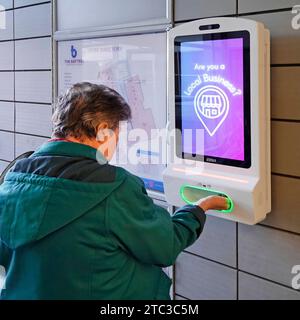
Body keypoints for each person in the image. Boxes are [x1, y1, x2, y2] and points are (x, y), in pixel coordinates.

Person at [0, 82, 228, 300]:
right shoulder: (114, 188)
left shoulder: (13, 180)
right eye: (117, 134)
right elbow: (165, 246)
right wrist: (198, 210)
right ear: (102, 131)